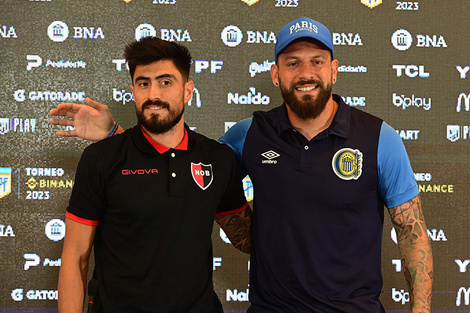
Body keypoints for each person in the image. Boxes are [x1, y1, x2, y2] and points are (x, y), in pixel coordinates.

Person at [51, 17, 433, 313]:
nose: (305, 73)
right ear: (275, 74)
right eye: (292, 62)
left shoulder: (380, 138)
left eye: (317, 61)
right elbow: (171, 158)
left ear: (333, 69)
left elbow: (413, 233)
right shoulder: (248, 135)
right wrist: (117, 136)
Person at [56, 37, 252, 313]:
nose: (153, 94)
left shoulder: (217, 159)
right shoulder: (101, 158)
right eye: (143, 83)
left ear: (187, 91)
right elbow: (75, 258)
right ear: (133, 90)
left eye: (165, 82)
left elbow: (247, 237)